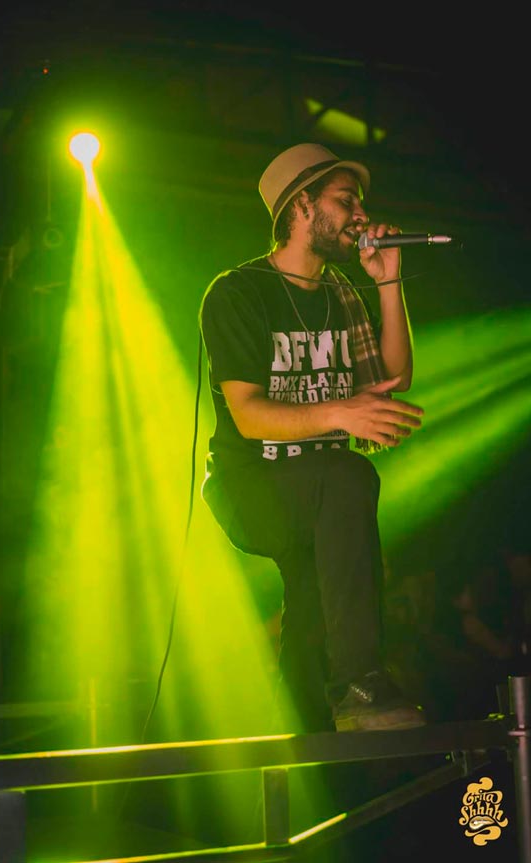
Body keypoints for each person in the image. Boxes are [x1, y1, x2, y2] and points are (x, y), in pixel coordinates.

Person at [198, 142, 426, 733]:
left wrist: (388, 283)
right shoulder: (238, 292)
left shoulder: (341, 292)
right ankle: (361, 682)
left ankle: (303, 736)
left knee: (314, 598)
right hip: (251, 486)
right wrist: (341, 413)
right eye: (346, 200)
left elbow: (391, 380)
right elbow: (250, 416)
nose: (360, 216)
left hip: (319, 494)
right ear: (301, 205)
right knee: (349, 475)